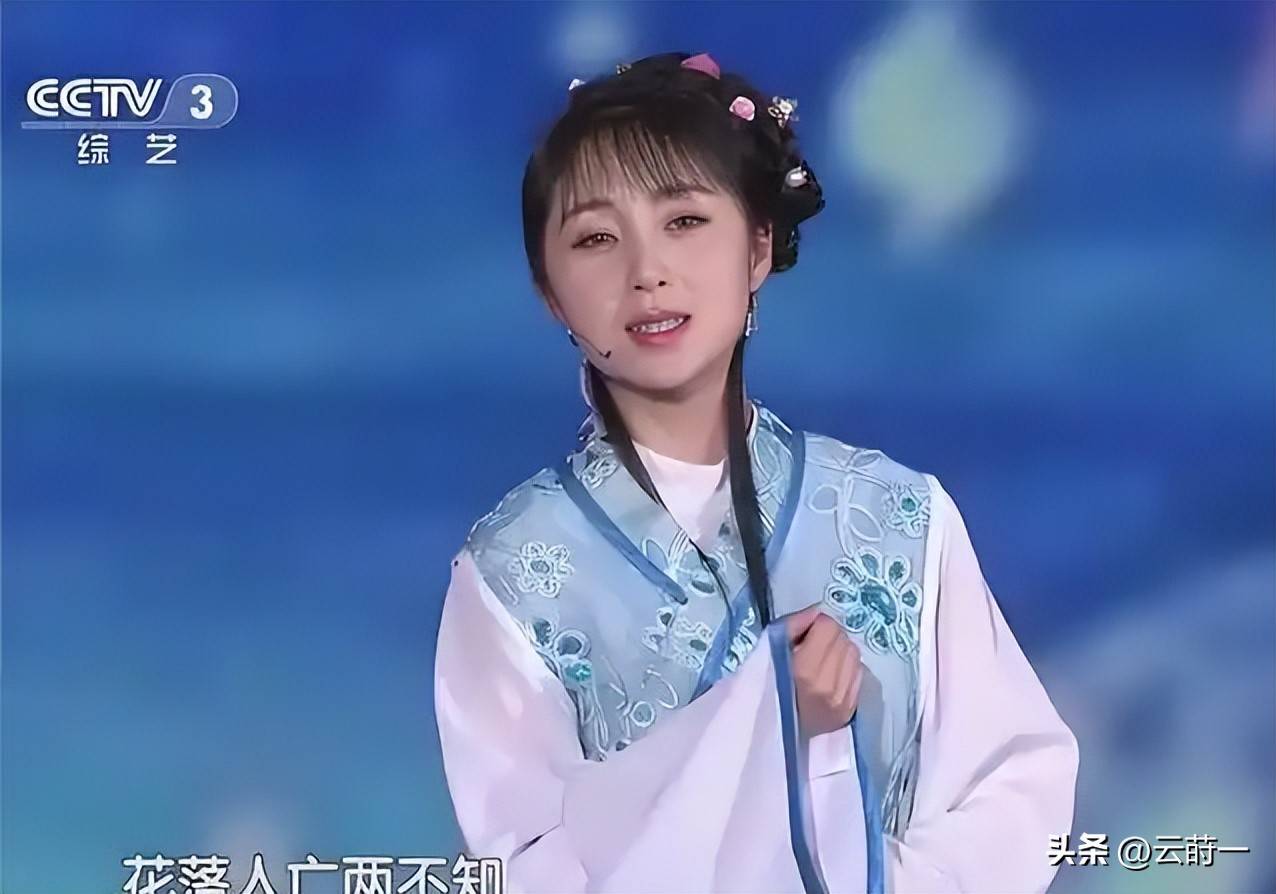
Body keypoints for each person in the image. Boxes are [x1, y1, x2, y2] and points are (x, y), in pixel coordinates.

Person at [433, 51, 1079, 894]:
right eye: (595, 238)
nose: (646, 271)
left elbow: (1013, 791)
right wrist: (767, 717)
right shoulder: (513, 571)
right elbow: (524, 861)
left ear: (758, 247)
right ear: (550, 291)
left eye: (685, 220)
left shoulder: (899, 518)